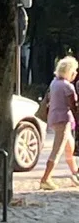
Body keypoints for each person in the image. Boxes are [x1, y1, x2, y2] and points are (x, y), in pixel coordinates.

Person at [40, 56, 79, 190]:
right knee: (57, 150)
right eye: (74, 70)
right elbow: (73, 106)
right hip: (64, 119)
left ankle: (75, 174)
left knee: (69, 148)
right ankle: (45, 178)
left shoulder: (54, 83)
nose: (75, 73)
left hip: (54, 117)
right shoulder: (67, 86)